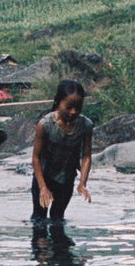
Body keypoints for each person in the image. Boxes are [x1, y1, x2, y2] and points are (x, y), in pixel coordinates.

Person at [31, 79, 93, 224]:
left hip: (66, 178)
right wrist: (43, 188)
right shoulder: (45, 125)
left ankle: (60, 246)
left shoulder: (86, 125)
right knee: (39, 218)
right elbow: (36, 158)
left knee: (58, 218)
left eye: (78, 107)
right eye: (69, 107)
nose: (74, 112)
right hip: (44, 177)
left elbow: (86, 156)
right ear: (58, 102)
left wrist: (82, 183)